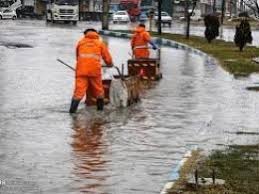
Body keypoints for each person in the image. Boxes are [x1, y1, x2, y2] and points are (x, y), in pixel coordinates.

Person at [69, 28, 113, 113]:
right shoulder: (100, 43)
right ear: (96, 34)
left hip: (82, 71)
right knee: (99, 91)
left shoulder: (81, 42)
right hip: (94, 72)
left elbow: (78, 57)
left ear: (85, 34)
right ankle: (100, 112)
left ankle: (72, 113)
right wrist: (110, 64)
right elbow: (107, 58)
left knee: (78, 93)